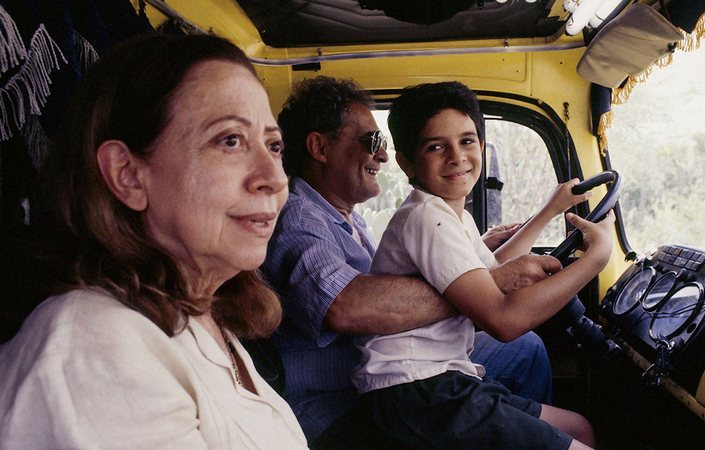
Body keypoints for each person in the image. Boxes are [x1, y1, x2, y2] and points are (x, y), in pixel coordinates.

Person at [0, 33, 307, 448]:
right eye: (230, 140)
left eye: (274, 145)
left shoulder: (200, 316)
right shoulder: (95, 348)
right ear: (127, 175)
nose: (274, 178)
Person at [261, 76, 557, 446]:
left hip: (386, 374)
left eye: (382, 144)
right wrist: (484, 284)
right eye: (371, 142)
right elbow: (345, 306)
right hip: (337, 404)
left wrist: (472, 254)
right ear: (319, 147)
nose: (382, 155)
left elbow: (392, 286)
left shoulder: (349, 220)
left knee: (523, 349)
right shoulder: (300, 220)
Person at [351, 81, 617, 449]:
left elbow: (490, 269)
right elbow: (504, 319)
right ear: (407, 162)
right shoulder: (428, 219)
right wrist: (597, 258)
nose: (457, 157)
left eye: (467, 141)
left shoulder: (449, 213)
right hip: (417, 392)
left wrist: (550, 211)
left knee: (578, 429)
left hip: (440, 381)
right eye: (435, 147)